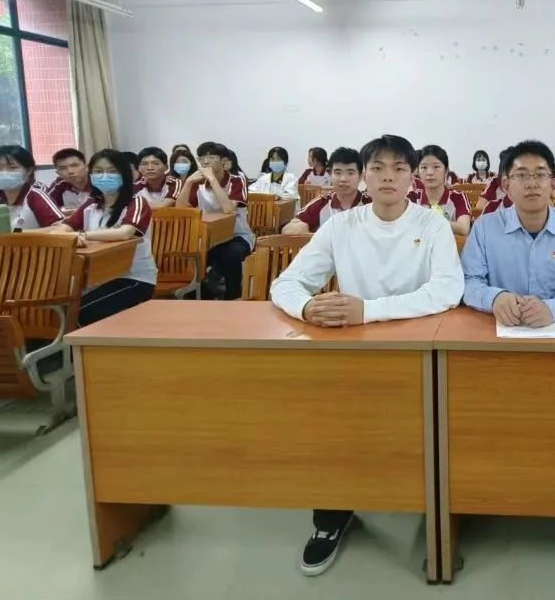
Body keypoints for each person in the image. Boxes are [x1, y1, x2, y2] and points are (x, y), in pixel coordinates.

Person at [271, 134, 464, 577]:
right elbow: (286, 284)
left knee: (435, 424)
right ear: (363, 176)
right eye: (377, 168)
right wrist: (307, 307)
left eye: (399, 168)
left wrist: (368, 310)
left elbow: (448, 289)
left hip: (420, 350)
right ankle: (331, 515)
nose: (388, 177)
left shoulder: (432, 223)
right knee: (330, 423)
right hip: (353, 352)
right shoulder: (342, 225)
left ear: (413, 177)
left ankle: (436, 507)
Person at [462, 139, 555, 327]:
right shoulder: (484, 228)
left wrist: (554, 308)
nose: (532, 184)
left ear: (553, 183)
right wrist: (494, 298)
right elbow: (468, 280)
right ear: (506, 185)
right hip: (499, 328)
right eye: (521, 175)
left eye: (540, 175)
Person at [52, 149, 157, 325]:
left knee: (81, 313)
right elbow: (62, 229)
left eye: (112, 171)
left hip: (133, 277)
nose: (104, 176)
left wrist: (82, 235)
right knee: (58, 309)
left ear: (124, 174)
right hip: (96, 276)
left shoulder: (137, 202)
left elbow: (125, 233)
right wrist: (68, 236)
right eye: (98, 171)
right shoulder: (91, 203)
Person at [176, 142, 253, 300]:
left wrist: (212, 179)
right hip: (208, 237)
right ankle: (202, 292)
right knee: (195, 253)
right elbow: (181, 209)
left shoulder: (237, 179)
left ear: (223, 161)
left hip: (237, 235)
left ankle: (233, 295)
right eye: (201, 158)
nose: (205, 162)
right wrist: (188, 182)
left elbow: (228, 209)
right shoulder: (198, 182)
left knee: (230, 253)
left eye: (211, 158)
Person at [284, 147, 369, 234]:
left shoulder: (370, 202)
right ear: (330, 174)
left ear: (360, 176)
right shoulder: (322, 203)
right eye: (338, 173)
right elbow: (288, 229)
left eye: (350, 173)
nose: (343, 179)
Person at [410, 145, 471, 236]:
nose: (429, 172)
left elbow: (463, 228)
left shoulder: (458, 197)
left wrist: (430, 221)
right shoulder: (413, 197)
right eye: (424, 167)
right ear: (418, 171)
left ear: (446, 171)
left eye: (436, 167)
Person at [48, 148, 92, 212]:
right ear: (58, 173)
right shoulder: (59, 184)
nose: (70, 171)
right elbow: (46, 206)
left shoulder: (98, 182)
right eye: (63, 168)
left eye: (75, 165)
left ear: (86, 166)